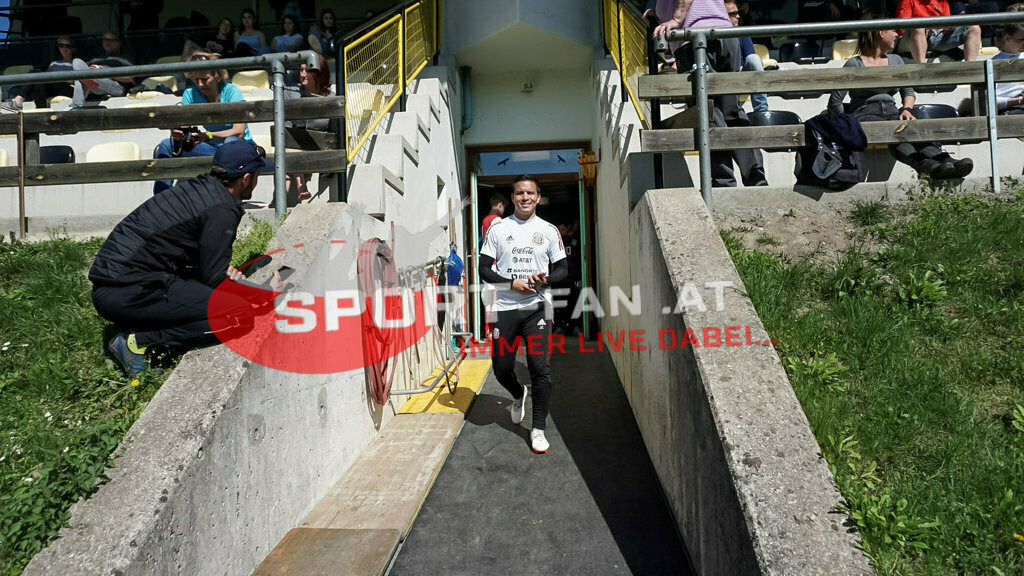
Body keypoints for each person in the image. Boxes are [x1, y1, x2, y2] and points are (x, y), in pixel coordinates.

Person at [90, 140, 285, 377]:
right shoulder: (220, 208)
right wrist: (264, 294)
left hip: (120, 285)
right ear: (245, 178)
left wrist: (222, 274)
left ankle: (144, 327)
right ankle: (140, 342)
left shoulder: (200, 189)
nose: (256, 180)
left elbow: (205, 267)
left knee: (221, 296)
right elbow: (213, 280)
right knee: (240, 315)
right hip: (129, 291)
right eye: (257, 174)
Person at [478, 175, 568, 454]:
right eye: (519, 193)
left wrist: (546, 280)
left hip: (537, 307)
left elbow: (563, 269)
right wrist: (510, 284)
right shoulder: (498, 228)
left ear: (538, 197)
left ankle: (538, 428)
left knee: (540, 368)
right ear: (512, 197)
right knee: (501, 367)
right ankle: (518, 394)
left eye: (530, 193)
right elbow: (483, 268)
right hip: (504, 307)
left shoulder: (549, 230)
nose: (525, 197)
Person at [829, 24, 973, 179]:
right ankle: (927, 165)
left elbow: (908, 92)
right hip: (865, 114)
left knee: (913, 128)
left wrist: (907, 109)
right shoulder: (854, 64)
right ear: (881, 32)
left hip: (892, 111)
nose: (897, 34)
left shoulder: (896, 60)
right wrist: (848, 123)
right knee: (896, 132)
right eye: (893, 30)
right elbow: (835, 102)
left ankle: (944, 161)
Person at [653, 0, 768, 187]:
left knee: (708, 113)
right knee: (731, 111)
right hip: (723, 34)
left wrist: (675, 18)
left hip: (697, 42)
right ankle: (756, 177)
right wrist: (660, 16)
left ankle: (723, 182)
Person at [152, 52, 256, 194]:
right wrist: (177, 132)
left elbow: (238, 132)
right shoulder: (190, 93)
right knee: (166, 144)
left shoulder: (232, 91)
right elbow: (184, 124)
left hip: (240, 148)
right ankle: (161, 199)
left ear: (217, 76)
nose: (200, 84)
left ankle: (229, 196)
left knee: (230, 143)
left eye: (205, 79)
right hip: (212, 147)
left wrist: (208, 136)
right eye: (196, 80)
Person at [2, 36, 125, 111]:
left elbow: (78, 80)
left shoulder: (80, 63)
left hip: (69, 87)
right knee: (37, 77)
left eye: (67, 46)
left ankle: (22, 103)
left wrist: (65, 78)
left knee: (40, 76)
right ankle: (39, 110)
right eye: (61, 45)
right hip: (53, 86)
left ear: (73, 49)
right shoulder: (54, 63)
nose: (64, 48)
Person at [279, 56, 334, 205]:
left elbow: (333, 132)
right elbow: (287, 125)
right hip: (295, 144)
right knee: (288, 145)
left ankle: (278, 204)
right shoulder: (291, 93)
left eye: (307, 70)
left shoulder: (331, 97)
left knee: (289, 151)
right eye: (301, 70)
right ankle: (300, 183)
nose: (302, 74)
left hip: (319, 145)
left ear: (319, 73)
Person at [896, 0, 981, 63]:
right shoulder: (907, 1)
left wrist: (953, 26)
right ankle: (921, 68)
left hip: (935, 37)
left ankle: (970, 67)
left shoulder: (942, 2)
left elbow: (946, 24)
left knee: (974, 27)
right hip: (910, 40)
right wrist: (933, 25)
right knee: (919, 27)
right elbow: (902, 26)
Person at [725, 0, 768, 113]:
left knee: (754, 58)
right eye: (733, 14)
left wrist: (740, 67)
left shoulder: (742, 33)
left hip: (741, 77)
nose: (738, 16)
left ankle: (761, 110)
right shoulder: (713, 36)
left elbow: (751, 59)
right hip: (722, 78)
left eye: (738, 12)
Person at [992, 21, 1024, 114]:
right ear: (1007, 38)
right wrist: (1019, 101)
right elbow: (987, 102)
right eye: (1021, 40)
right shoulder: (994, 62)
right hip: (1011, 110)